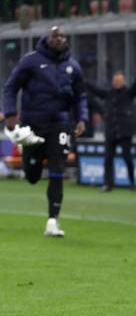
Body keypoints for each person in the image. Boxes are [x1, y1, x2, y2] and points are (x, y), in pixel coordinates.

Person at [3, 26, 88, 237]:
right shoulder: (31, 60)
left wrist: (82, 118)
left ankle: (52, 221)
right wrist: (11, 113)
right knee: (32, 176)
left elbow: (80, 96)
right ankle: (31, 157)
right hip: (32, 124)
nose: (59, 39)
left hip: (60, 123)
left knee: (57, 168)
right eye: (55, 36)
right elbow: (11, 87)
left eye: (62, 35)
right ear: (47, 39)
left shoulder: (73, 66)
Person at [86, 64, 136, 191]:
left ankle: (132, 183)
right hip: (111, 132)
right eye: (115, 81)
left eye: (119, 81)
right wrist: (83, 81)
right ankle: (108, 184)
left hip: (125, 132)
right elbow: (96, 90)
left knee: (127, 157)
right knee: (108, 159)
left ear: (123, 81)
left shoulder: (128, 93)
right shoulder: (109, 93)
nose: (117, 83)